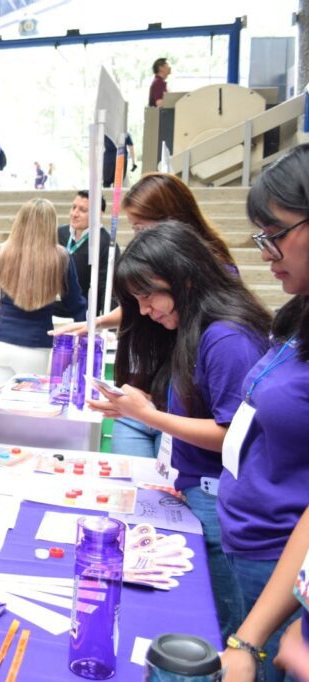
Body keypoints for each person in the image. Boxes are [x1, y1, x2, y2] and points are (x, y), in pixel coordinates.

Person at [87, 222, 271, 646]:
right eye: (137, 300)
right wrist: (136, 405)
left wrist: (148, 416)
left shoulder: (226, 337)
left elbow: (231, 436)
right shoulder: (196, 330)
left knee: (226, 630)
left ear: (184, 277)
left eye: (149, 295)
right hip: (197, 491)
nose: (146, 309)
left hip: (220, 499)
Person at [56, 173, 237, 457]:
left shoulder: (221, 326)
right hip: (154, 391)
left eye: (141, 227)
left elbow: (229, 431)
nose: (145, 311)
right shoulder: (161, 288)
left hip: (176, 403)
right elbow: (142, 305)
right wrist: (99, 322)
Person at [215, 144, 309, 682]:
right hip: (252, 538)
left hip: (284, 564)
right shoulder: (296, 315)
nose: (266, 253)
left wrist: (250, 640)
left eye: (275, 234)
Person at [0, 198, 86, 393]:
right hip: (34, 348)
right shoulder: (61, 258)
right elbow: (75, 304)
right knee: (24, 415)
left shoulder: (0, 251)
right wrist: (87, 332)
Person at [57, 190, 120, 316]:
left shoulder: (106, 244)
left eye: (82, 210)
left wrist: (108, 326)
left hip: (83, 316)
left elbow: (107, 288)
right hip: (54, 310)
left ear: (99, 214)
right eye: (73, 207)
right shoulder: (60, 233)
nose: (74, 214)